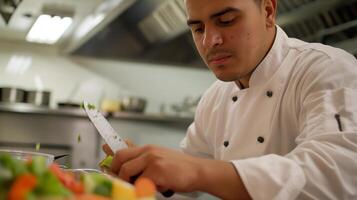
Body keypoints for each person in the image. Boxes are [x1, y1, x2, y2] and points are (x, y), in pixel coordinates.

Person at [103, 0, 357, 199]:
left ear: (268, 11)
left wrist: (197, 171)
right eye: (198, 28)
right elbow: (180, 184)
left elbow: (336, 175)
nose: (209, 41)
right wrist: (143, 172)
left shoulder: (325, 69)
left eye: (226, 21)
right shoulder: (216, 97)